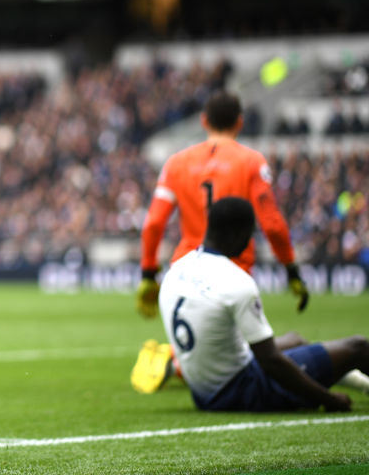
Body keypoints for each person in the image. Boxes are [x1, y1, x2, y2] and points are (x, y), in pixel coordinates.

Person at [132, 90, 309, 394]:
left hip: (185, 267)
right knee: (240, 350)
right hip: (231, 268)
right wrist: (291, 268)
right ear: (240, 122)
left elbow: (154, 222)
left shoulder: (176, 163)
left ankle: (177, 360)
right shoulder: (251, 162)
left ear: (203, 121)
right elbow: (273, 224)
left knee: (211, 342)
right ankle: (176, 364)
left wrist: (148, 273)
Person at [158, 196, 369, 412]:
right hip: (241, 391)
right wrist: (328, 399)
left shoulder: (175, 270)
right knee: (359, 347)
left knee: (295, 340)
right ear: (238, 234)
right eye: (250, 235)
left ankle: (359, 383)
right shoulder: (236, 281)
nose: (250, 242)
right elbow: (270, 361)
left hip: (203, 393)